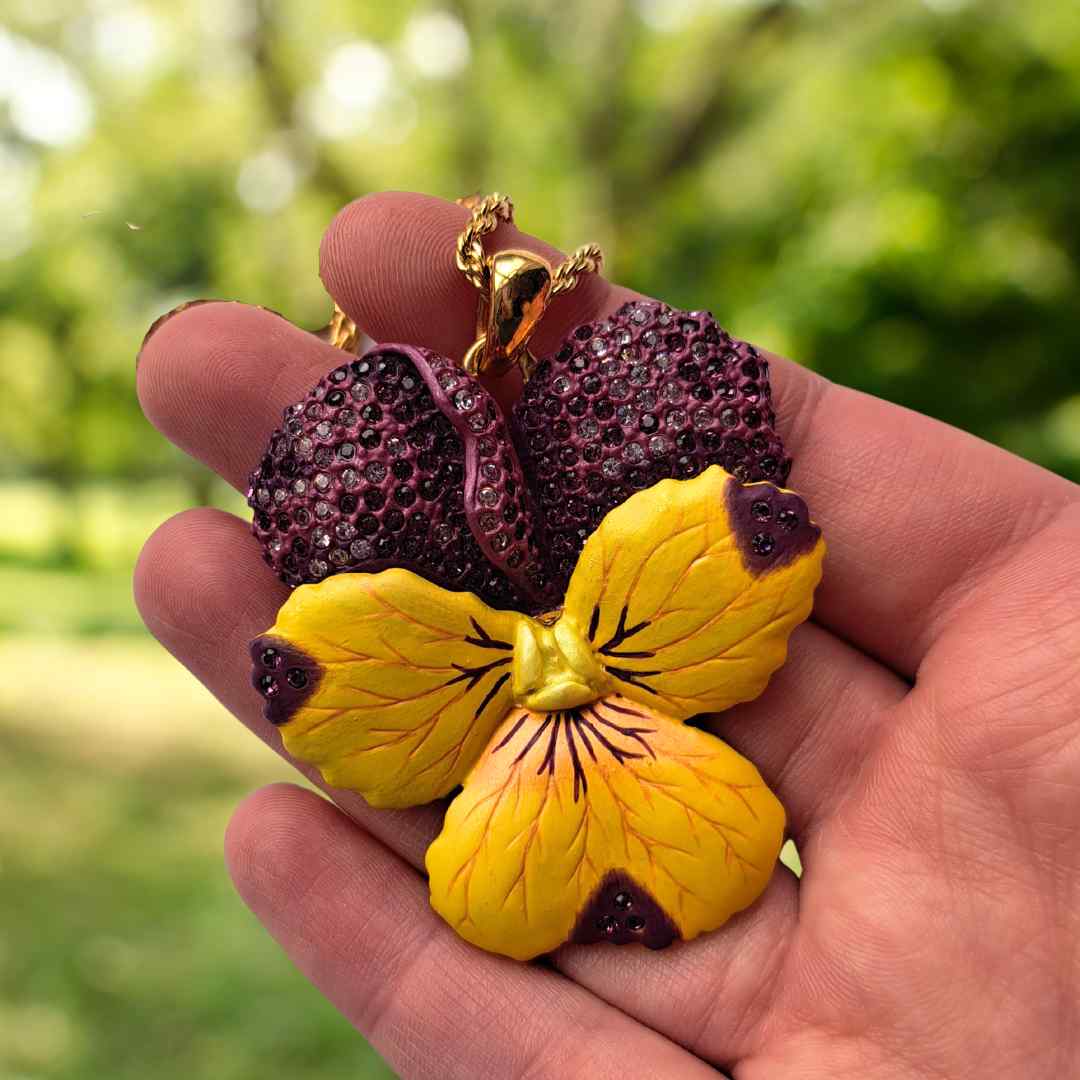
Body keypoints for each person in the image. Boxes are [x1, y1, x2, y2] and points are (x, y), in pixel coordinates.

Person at [133, 191, 1080, 1079]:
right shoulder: (635, 477)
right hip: (619, 635)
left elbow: (732, 544)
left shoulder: (624, 451)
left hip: (489, 675)